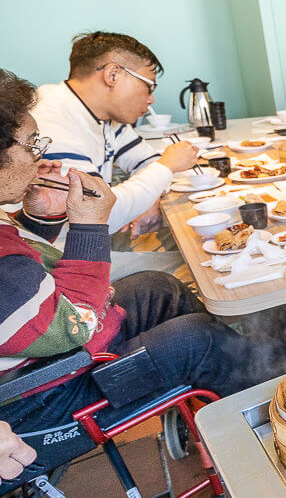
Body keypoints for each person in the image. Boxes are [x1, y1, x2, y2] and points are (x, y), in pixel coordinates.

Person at [0, 70, 262, 466]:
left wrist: (41, 220)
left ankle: (212, 411)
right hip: (40, 398)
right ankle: (260, 434)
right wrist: (89, 225)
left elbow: (28, 288)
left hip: (50, 354)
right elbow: (69, 324)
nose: (40, 155)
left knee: (159, 287)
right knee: (198, 338)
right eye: (32, 144)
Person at [30, 32, 199, 278]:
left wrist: (149, 198)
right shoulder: (51, 121)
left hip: (95, 238)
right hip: (60, 260)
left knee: (191, 238)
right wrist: (166, 168)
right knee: (197, 269)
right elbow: (95, 214)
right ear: (112, 74)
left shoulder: (101, 115)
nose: (151, 99)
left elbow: (146, 162)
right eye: (149, 86)